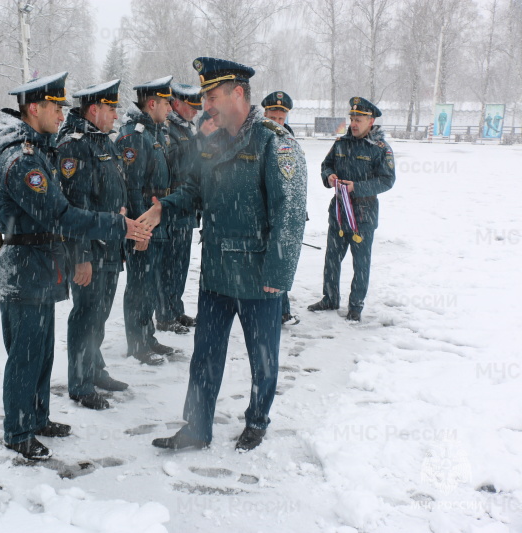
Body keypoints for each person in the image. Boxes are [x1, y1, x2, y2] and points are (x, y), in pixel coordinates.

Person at [140, 57, 307, 452]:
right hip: (216, 273)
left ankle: (257, 420)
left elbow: (291, 212)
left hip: (258, 275)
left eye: (212, 95)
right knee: (205, 357)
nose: (207, 104)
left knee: (262, 358)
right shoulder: (211, 143)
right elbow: (194, 191)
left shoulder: (275, 141)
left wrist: (278, 276)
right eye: (204, 96)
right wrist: (164, 207)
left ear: (238, 93)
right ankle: (197, 428)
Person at [0, 72, 150, 461]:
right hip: (24, 268)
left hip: (41, 267)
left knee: (42, 351)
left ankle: (38, 417)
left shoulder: (39, 152)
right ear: (35, 108)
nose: (62, 113)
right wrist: (116, 225)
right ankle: (18, 431)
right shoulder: (22, 161)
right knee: (26, 355)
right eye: (55, 106)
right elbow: (60, 214)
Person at [55, 79, 130, 411]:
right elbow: (75, 205)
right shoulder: (75, 146)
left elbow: (111, 187)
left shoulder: (104, 141)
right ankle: (81, 383)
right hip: (91, 249)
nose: (116, 115)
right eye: (111, 108)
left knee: (99, 314)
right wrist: (81, 256)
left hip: (111, 243)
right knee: (86, 315)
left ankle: (96, 370)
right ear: (94, 109)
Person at [307, 97, 395, 322]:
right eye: (352, 119)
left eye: (359, 120)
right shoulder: (340, 143)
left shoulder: (380, 149)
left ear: (371, 121)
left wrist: (357, 187)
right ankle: (330, 298)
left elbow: (387, 180)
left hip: (363, 215)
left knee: (361, 263)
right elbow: (326, 165)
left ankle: (355, 306)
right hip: (338, 212)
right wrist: (329, 176)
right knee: (332, 259)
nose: (354, 124)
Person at [116, 75, 184, 366]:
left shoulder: (156, 132)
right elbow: (130, 186)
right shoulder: (134, 135)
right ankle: (137, 342)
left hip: (158, 220)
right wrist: (140, 230)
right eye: (166, 102)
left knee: (151, 280)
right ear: (152, 103)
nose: (171, 108)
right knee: (139, 284)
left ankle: (148, 335)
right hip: (143, 223)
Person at [156, 82, 203, 333]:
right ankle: (164, 315)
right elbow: (171, 160)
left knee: (181, 263)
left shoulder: (186, 128)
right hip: (173, 203)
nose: (196, 111)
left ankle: (176, 309)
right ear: (176, 104)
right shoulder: (167, 128)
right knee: (169, 265)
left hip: (186, 206)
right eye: (191, 106)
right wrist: (198, 143)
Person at [262, 90, 301, 325]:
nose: (277, 123)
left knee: (281, 256)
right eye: (273, 117)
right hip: (265, 210)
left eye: (281, 118)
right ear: (264, 113)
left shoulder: (289, 136)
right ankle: (273, 310)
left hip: (283, 208)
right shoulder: (257, 136)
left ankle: (282, 310)